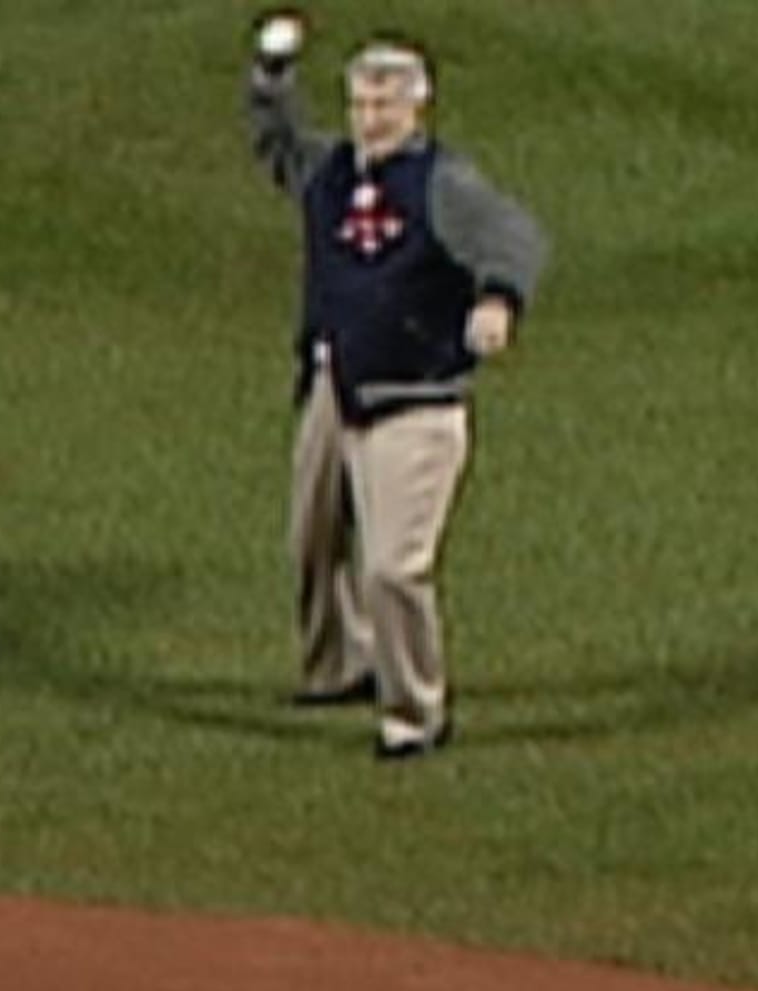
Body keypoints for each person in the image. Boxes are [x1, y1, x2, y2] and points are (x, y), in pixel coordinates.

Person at [246, 23, 547, 760]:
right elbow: (280, 145)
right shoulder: (333, 174)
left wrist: (498, 301)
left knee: (392, 568)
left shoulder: (441, 182)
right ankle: (335, 666)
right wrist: (272, 75)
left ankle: (415, 711)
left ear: (418, 108)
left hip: (415, 400)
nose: (370, 117)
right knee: (312, 541)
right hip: (335, 383)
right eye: (360, 102)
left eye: (385, 103)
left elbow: (515, 235)